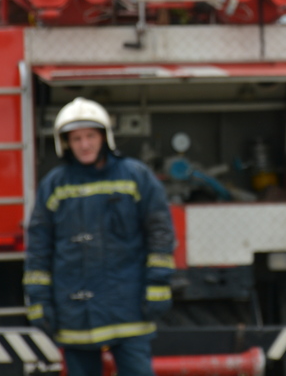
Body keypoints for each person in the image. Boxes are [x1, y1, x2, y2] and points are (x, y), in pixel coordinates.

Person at [23, 97, 176, 376]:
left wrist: (158, 285)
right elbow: (38, 247)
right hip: (75, 312)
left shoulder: (135, 177)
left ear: (105, 137)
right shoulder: (54, 185)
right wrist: (39, 301)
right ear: (65, 142)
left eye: (90, 136)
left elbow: (160, 232)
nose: (84, 145)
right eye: (77, 138)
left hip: (128, 307)